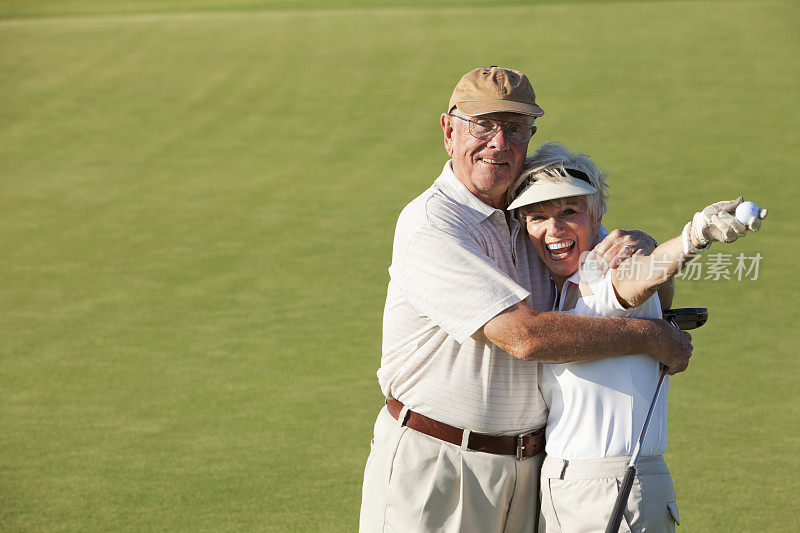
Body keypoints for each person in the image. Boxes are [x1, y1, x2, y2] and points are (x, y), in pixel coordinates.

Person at [358, 66, 694, 533]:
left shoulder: (538, 212)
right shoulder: (433, 225)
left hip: (531, 470)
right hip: (441, 463)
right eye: (483, 126)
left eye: (514, 129)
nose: (498, 143)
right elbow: (524, 336)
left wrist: (646, 245)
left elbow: (624, 279)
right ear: (449, 131)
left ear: (530, 136)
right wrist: (651, 336)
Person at [506, 142, 765, 532]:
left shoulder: (609, 262)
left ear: (597, 215)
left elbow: (637, 278)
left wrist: (694, 237)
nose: (554, 230)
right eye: (537, 216)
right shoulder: (555, 287)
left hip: (615, 489)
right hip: (561, 488)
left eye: (569, 212)